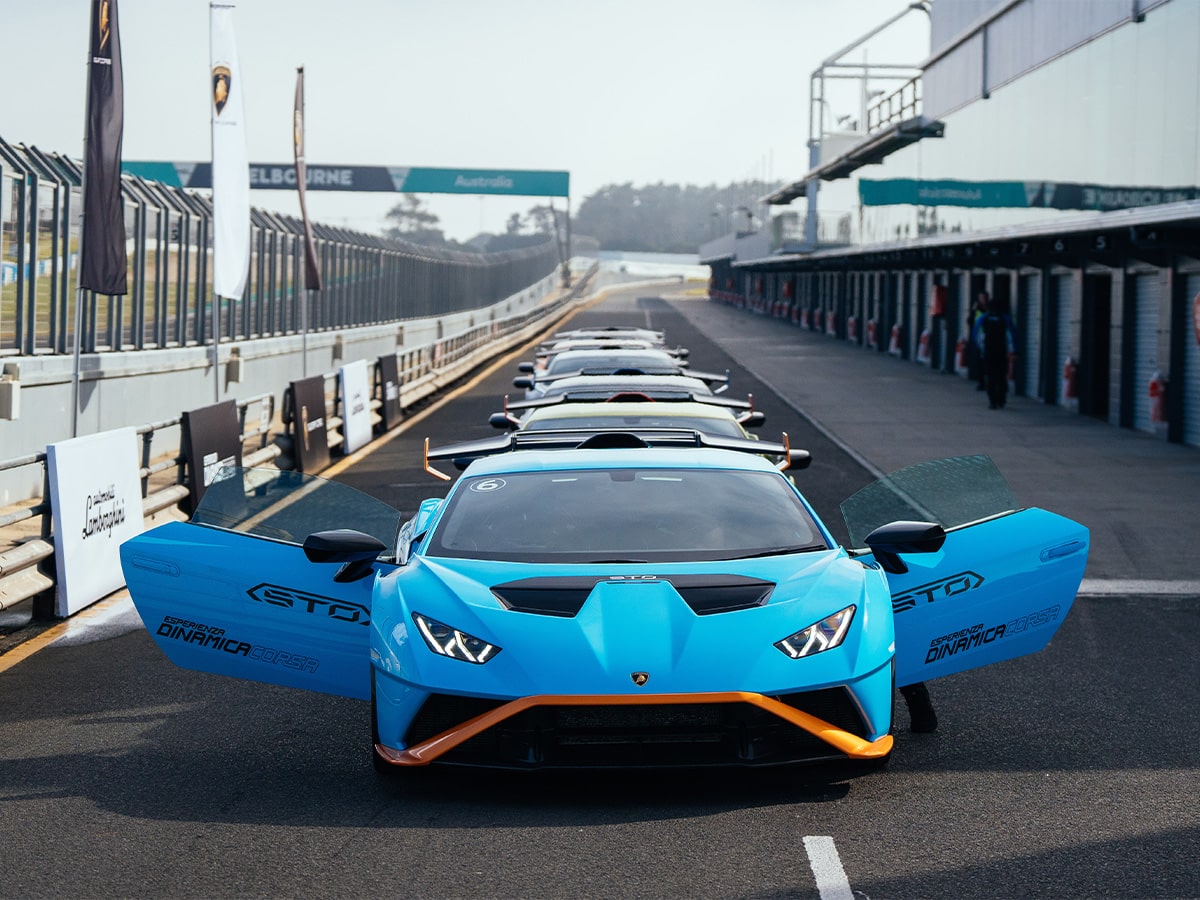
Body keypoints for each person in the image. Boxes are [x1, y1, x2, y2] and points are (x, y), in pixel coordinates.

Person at [973, 295, 1017, 409]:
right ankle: (1001, 399)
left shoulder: (983, 318)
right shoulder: (1005, 319)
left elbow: (977, 335)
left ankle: (992, 401)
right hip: (1002, 352)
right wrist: (1015, 351)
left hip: (988, 352)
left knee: (990, 377)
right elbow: (1012, 336)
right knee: (1001, 376)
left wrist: (979, 349)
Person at [967, 292, 989, 391]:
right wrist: (973, 310)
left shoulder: (990, 309)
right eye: (980, 298)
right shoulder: (976, 310)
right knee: (980, 361)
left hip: (989, 337)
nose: (982, 300)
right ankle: (981, 382)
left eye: (983, 298)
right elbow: (969, 321)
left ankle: (988, 381)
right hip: (979, 337)